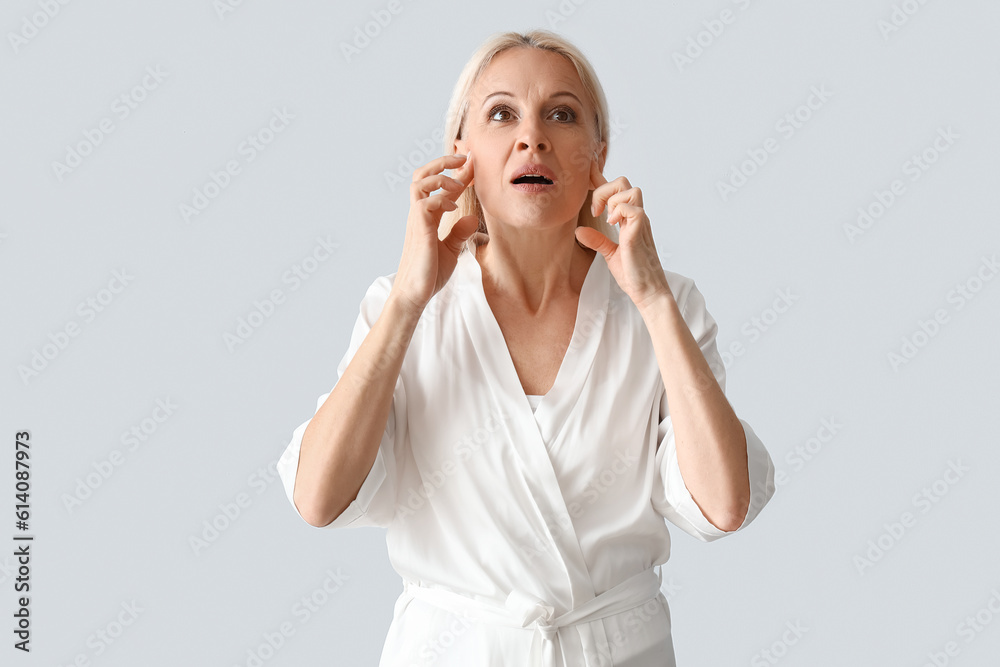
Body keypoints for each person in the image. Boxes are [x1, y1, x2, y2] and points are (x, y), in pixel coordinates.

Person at [277, 29, 776, 667]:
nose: (531, 137)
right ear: (462, 154)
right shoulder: (402, 305)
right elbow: (319, 499)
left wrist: (653, 302)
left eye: (561, 114)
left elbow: (725, 503)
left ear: (598, 153)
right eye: (501, 113)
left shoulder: (662, 305)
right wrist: (408, 299)